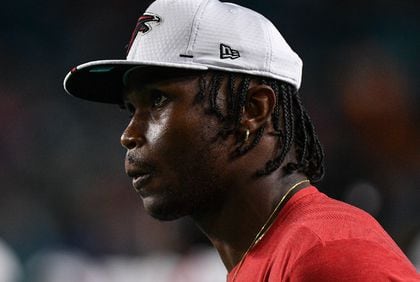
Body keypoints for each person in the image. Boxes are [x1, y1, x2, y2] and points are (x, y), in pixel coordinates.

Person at [63, 0, 419, 280]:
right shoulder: (270, 253)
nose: (129, 134)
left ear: (252, 108)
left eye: (158, 100)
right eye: (130, 109)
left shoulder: (329, 256)